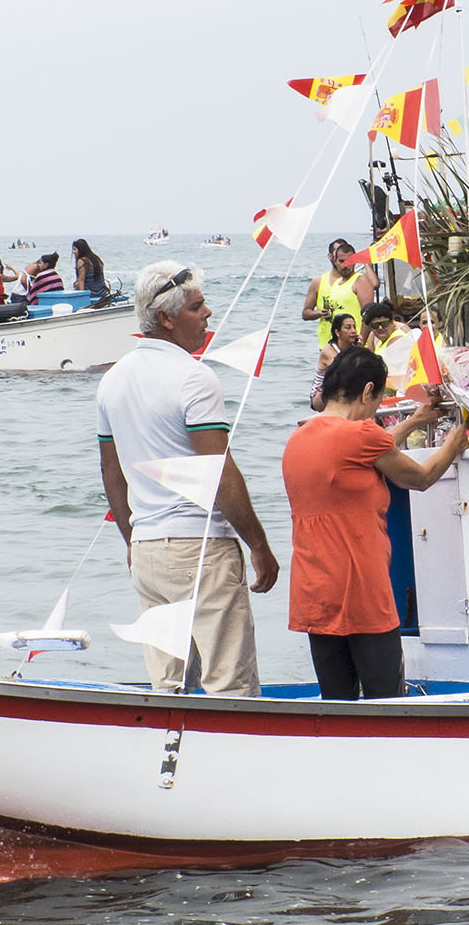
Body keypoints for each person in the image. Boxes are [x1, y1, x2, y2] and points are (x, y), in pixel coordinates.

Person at [97, 262, 281, 696]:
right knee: (229, 683)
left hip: (147, 549)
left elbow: (113, 475)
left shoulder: (112, 380)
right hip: (201, 550)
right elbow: (219, 473)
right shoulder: (195, 378)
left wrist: (132, 539)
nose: (208, 314)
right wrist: (259, 546)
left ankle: (172, 759)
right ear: (166, 318)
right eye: (198, 307)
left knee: (169, 684)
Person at [283, 347, 469, 699]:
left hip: (314, 589)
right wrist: (452, 444)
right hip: (361, 589)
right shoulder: (360, 437)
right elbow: (421, 478)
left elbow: (368, 450)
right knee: (386, 702)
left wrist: (415, 421)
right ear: (368, 391)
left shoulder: (299, 438)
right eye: (378, 399)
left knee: (336, 702)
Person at [302, 240, 377, 349]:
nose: (345, 265)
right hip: (336, 345)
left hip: (357, 345)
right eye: (341, 261)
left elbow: (369, 314)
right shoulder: (337, 284)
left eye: (349, 261)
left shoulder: (360, 280)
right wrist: (325, 314)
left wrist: (361, 342)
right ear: (334, 261)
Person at [310, 313, 362, 412]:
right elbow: (345, 370)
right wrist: (358, 353)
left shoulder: (353, 348)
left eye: (354, 327)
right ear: (337, 332)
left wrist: (360, 350)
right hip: (321, 395)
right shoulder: (328, 350)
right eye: (348, 328)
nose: (353, 331)